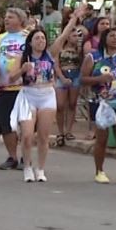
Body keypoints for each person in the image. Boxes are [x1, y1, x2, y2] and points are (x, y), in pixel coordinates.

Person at [81, 27, 116, 185]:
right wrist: (99, 79)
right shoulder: (93, 57)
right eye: (112, 35)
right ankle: (99, 171)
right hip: (101, 102)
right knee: (102, 139)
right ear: (105, 38)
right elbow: (83, 79)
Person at [15, 29, 60, 182]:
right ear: (30, 42)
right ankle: (27, 166)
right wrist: (22, 70)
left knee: (43, 136)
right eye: (37, 38)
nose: (40, 41)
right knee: (27, 135)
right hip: (28, 95)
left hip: (47, 95)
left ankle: (40, 168)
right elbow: (10, 77)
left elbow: (63, 36)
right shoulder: (23, 57)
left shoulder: (50, 54)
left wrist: (74, 18)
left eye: (43, 38)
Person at [0, 8, 29, 170]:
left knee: (26, 124)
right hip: (4, 87)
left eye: (10, 17)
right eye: (5, 17)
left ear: (20, 20)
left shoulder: (28, 37)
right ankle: (12, 157)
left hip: (25, 88)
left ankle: (26, 157)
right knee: (5, 123)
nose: (6, 20)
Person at [51, 8, 86, 146]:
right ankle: (60, 131)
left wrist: (80, 22)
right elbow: (56, 64)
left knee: (72, 104)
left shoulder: (79, 48)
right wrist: (62, 77)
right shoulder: (60, 47)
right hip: (62, 76)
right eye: (73, 34)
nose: (75, 35)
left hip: (75, 76)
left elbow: (86, 32)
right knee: (60, 105)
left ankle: (68, 131)